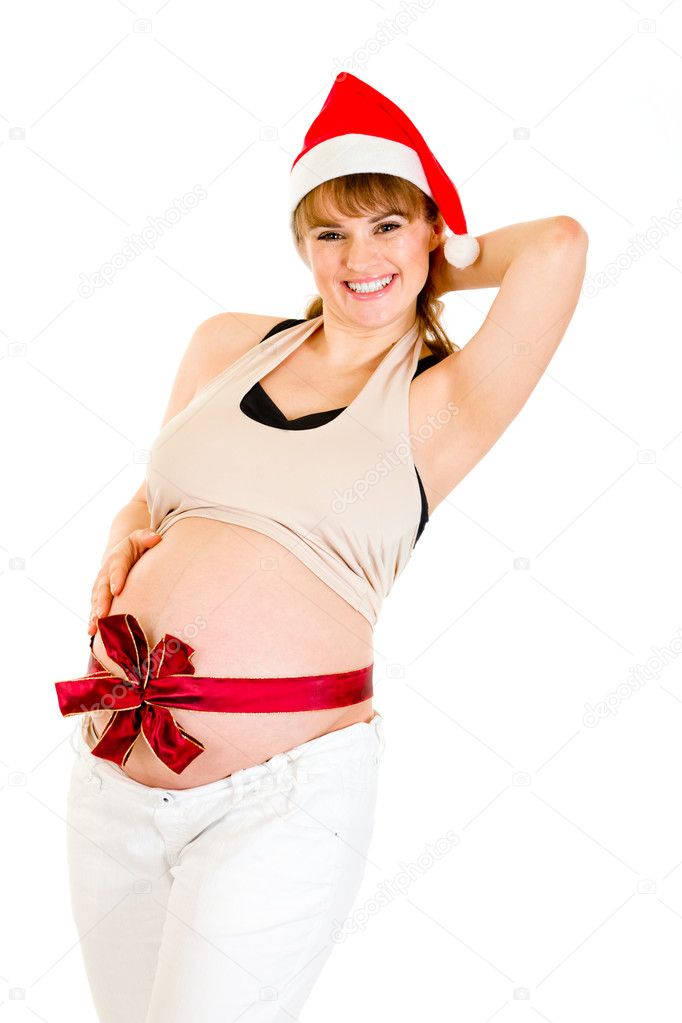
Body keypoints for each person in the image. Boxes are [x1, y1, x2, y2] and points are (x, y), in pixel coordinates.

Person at [55, 71, 588, 1022]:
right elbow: (156, 492)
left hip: (280, 797)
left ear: (432, 229)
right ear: (300, 247)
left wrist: (424, 253)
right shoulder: (226, 343)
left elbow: (559, 244)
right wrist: (115, 537)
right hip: (113, 775)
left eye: (387, 223)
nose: (358, 255)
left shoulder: (444, 402)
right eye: (330, 233)